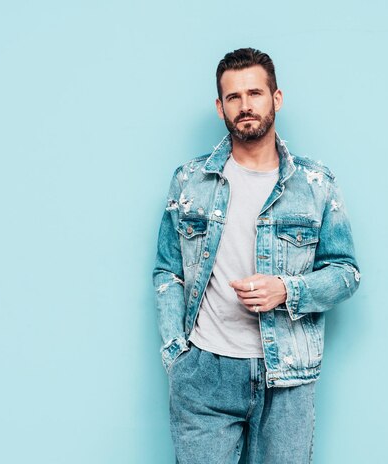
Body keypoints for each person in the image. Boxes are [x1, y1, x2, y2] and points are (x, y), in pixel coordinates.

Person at [152, 47, 361, 464]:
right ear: (220, 107)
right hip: (204, 372)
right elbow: (167, 271)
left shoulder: (314, 183)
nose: (245, 106)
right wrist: (176, 352)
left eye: (255, 93)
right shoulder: (190, 181)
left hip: (287, 376)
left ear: (276, 98)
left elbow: (346, 273)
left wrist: (286, 289)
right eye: (233, 97)